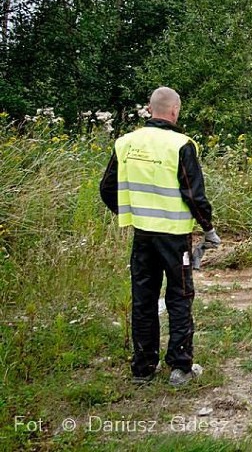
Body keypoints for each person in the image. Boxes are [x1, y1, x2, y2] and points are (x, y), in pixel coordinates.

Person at [100, 87, 220, 386]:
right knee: (179, 297)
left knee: (143, 299)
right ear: (175, 110)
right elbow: (193, 195)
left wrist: (133, 211)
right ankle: (180, 367)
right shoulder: (181, 145)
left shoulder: (125, 142)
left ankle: (143, 367)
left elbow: (106, 188)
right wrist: (208, 228)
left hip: (142, 234)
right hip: (174, 237)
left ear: (150, 109)